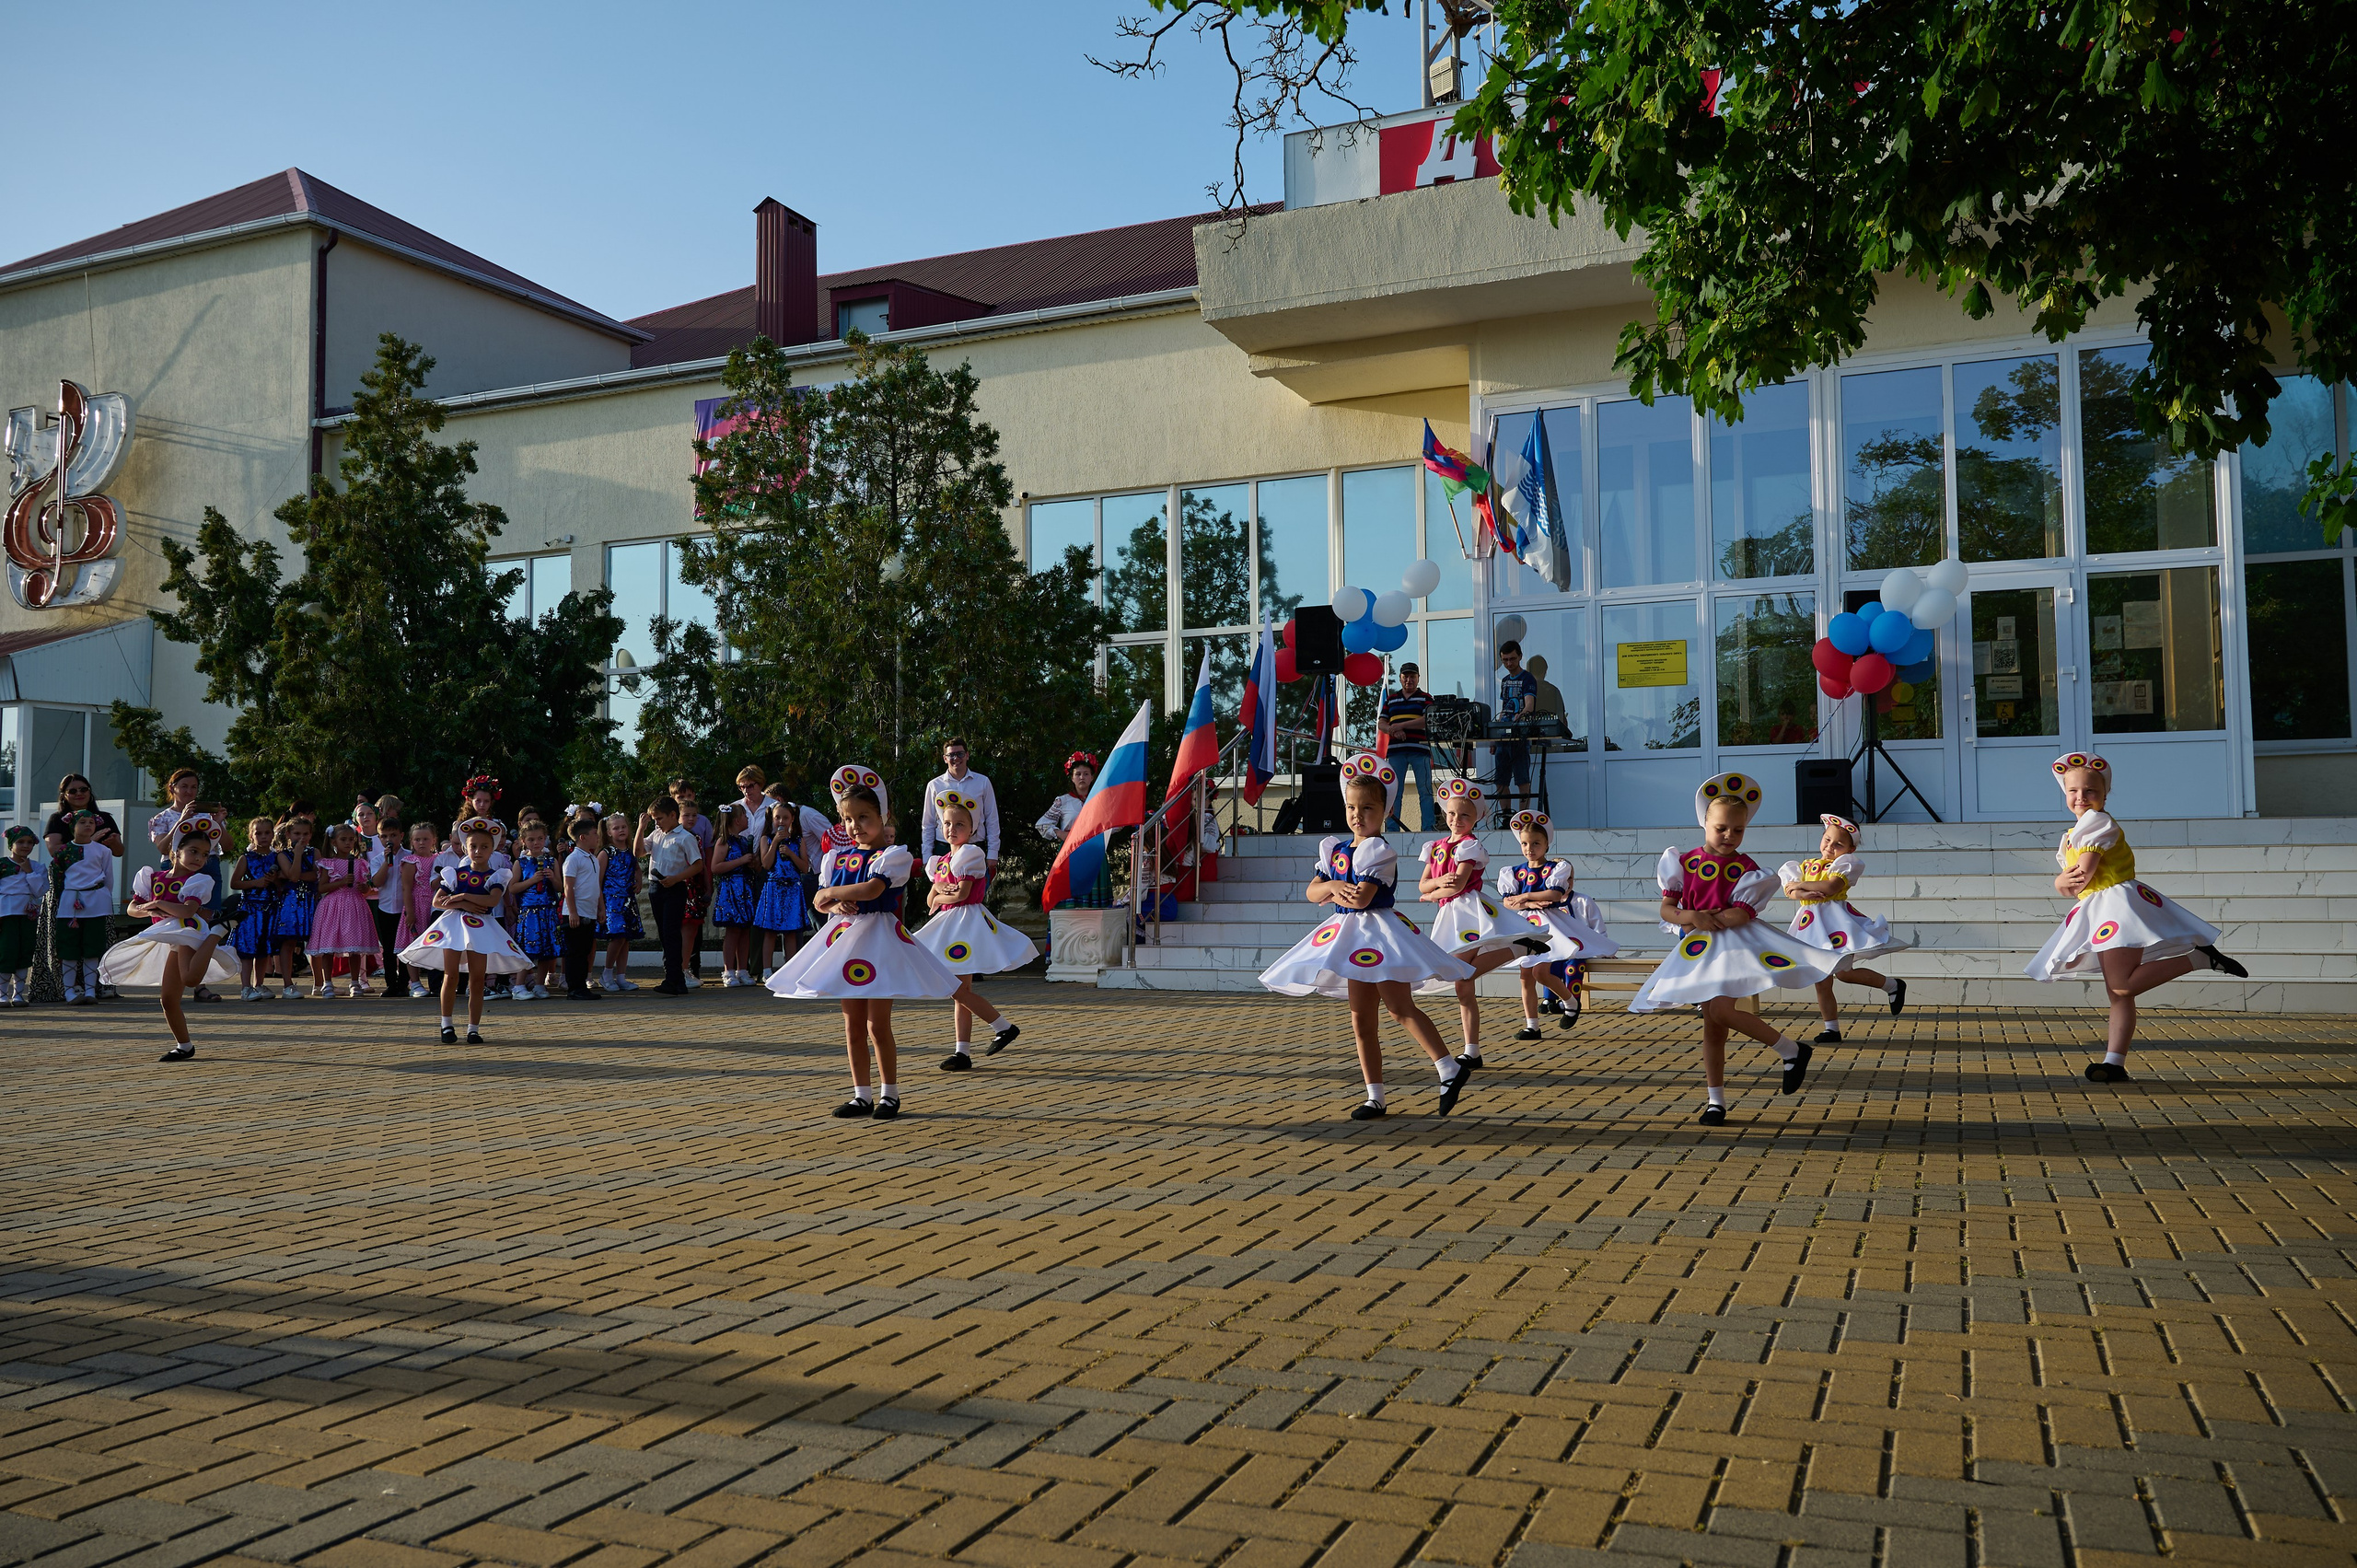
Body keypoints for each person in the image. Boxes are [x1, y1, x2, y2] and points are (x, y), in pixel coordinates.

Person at [1259, 755, 1477, 1120]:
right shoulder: (1334, 849)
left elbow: (1362, 898)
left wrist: (1335, 890)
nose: (1358, 815)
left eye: (1368, 808)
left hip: (1378, 937)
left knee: (1399, 1007)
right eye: (1351, 807)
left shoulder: (1380, 851)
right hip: (1349, 937)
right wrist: (1330, 885)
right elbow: (1313, 892)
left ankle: (1449, 1068)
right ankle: (1375, 1096)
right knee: (1361, 1018)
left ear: (1385, 811)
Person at [1630, 772, 1841, 1125]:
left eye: (1738, 830)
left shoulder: (1746, 868)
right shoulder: (1682, 863)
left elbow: (1745, 912)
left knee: (1722, 1012)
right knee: (1712, 1025)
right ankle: (1717, 1101)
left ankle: (1791, 1050)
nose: (1729, 836)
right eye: (1721, 829)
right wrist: (1691, 917)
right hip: (1697, 949)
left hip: (1730, 947)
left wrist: (1714, 920)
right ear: (1705, 824)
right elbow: (1667, 909)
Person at [2026, 753, 2247, 1083]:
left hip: (2116, 907)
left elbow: (2080, 877)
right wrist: (2064, 884)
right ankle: (2114, 1062)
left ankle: (2197, 959)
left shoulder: (2097, 823)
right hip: (2102, 908)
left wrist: (2059, 883)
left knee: (2122, 985)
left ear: (2105, 793)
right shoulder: (2074, 831)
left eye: (2090, 791)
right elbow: (2076, 881)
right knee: (2118, 993)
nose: (2081, 798)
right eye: (2073, 791)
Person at [768, 765, 962, 1121]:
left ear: (882, 816)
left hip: (879, 942)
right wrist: (831, 899)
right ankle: (861, 1094)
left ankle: (890, 1093)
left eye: (864, 817)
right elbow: (818, 903)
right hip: (847, 944)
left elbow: (872, 890)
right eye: (848, 820)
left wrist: (829, 893)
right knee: (852, 1025)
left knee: (877, 1024)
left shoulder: (893, 856)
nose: (856, 826)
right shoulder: (834, 858)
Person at [1415, 778, 1550, 1074]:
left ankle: (1515, 950)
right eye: (1451, 814)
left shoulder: (1470, 845)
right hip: (1449, 915)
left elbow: (1459, 884)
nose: (1456, 820)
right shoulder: (1435, 846)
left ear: (1476, 817)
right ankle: (1472, 1051)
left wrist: (1432, 892)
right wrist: (1436, 885)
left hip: (1467, 913)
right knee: (1463, 986)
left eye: (1464, 815)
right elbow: (1423, 885)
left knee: (1460, 975)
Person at [914, 794, 1032, 1070]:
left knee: (956, 989)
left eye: (959, 824)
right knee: (959, 990)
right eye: (946, 824)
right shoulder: (939, 862)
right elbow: (931, 901)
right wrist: (941, 892)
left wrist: (942, 895)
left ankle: (1002, 1027)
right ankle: (963, 1052)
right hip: (950, 926)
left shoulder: (970, 854)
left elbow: (961, 895)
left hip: (966, 925)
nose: (951, 829)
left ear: (972, 829)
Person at [101, 827, 238, 1059]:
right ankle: (184, 1046)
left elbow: (187, 911)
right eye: (194, 851)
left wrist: (158, 904)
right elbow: (132, 909)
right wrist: (149, 908)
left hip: (187, 931)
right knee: (168, 999)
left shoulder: (198, 880)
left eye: (205, 854)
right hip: (166, 934)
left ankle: (218, 931)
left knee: (191, 979)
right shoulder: (153, 877)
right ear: (176, 851)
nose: (199, 858)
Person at [400, 816, 531, 1044]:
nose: (478, 851)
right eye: (473, 846)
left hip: (481, 929)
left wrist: (461, 896)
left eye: (484, 847)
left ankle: (473, 1028)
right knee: (450, 976)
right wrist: (464, 904)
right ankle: (446, 1024)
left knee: (477, 978)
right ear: (465, 847)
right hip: (454, 927)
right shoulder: (454, 874)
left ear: (493, 850)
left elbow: (492, 901)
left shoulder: (495, 876)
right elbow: (438, 902)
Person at [1780, 814, 1910, 1042]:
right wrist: (1801, 891)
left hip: (1834, 924)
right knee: (1821, 979)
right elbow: (1789, 891)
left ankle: (1893, 985)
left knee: (1845, 975)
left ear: (1850, 849)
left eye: (1838, 844)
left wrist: (1800, 885)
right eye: (1827, 840)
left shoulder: (1845, 864)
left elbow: (1830, 887)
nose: (1830, 847)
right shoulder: (1805, 865)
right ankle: (1832, 1029)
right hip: (1810, 926)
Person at [1497, 810, 1618, 1040]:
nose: (1529, 848)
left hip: (1549, 927)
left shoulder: (1555, 869)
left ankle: (1570, 1002)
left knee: (1541, 971)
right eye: (1524, 843)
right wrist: (1530, 903)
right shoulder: (1513, 872)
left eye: (1536, 843)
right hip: (1525, 925)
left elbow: (1554, 894)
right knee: (1526, 975)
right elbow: (1507, 902)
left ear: (1546, 845)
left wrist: (1524, 898)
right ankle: (1532, 1025)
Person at [308, 823, 381, 998]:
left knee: (354, 947)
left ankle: (355, 982)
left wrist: (365, 887)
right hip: (333, 907)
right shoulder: (328, 863)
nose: (348, 843)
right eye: (343, 839)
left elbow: (366, 890)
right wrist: (341, 882)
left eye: (351, 839)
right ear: (334, 841)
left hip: (354, 905)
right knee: (328, 946)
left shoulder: (359, 863)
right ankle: (327, 983)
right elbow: (322, 887)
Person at [639, 796, 700, 995]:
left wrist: (676, 878)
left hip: (674, 888)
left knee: (672, 933)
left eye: (660, 818)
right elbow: (639, 851)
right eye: (654, 819)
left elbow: (698, 865)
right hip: (656, 888)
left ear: (673, 815)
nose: (657, 822)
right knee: (664, 934)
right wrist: (641, 828)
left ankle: (676, 979)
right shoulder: (656, 834)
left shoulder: (685, 837)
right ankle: (672, 978)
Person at [53, 810, 116, 1004]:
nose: (88, 825)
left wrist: (103, 897)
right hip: (70, 904)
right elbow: (58, 880)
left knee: (93, 947)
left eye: (91, 822)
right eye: (82, 822)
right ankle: (70, 992)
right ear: (73, 826)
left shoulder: (103, 851)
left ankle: (90, 991)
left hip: (96, 903)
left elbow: (108, 878)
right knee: (69, 948)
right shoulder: (63, 851)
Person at [1036, 752, 1112, 907]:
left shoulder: (1101, 799)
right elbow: (1042, 823)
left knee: (1096, 901)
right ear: (1072, 777)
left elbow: (1115, 823)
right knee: (1070, 899)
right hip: (1070, 854)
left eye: (1086, 774)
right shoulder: (1062, 801)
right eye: (1078, 774)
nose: (1082, 777)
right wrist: (1060, 833)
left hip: (1095, 852)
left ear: (1092, 777)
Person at [919, 738, 1001, 882]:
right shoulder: (934, 785)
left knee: (974, 897)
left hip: (975, 847)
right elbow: (928, 824)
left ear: (967, 755)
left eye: (960, 754)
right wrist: (927, 856)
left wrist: (992, 853)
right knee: (945, 897)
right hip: (944, 849)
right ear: (945, 759)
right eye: (951, 755)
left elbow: (992, 818)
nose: (956, 758)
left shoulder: (982, 782)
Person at [751, 784, 810, 976]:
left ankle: (790, 970)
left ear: (792, 819)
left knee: (791, 932)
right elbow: (766, 865)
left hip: (793, 889)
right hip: (773, 888)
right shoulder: (765, 840)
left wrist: (792, 854)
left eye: (785, 818)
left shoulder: (799, 841)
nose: (781, 821)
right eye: (777, 818)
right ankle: (767, 970)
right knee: (769, 931)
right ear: (772, 819)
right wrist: (775, 842)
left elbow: (805, 867)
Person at [227, 818, 283, 999]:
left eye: (267, 833)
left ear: (273, 835)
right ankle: (245, 987)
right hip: (250, 910)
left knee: (263, 949)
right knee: (247, 949)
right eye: (258, 833)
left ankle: (259, 984)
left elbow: (283, 884)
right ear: (251, 836)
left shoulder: (278, 857)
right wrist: (255, 883)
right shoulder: (246, 858)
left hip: (270, 908)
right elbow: (234, 882)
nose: (263, 836)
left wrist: (276, 881)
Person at [508, 820, 563, 1000]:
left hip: (547, 911)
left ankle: (540, 985)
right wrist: (532, 880)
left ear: (545, 839)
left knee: (547, 951)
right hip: (529, 913)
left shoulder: (551, 860)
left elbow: (560, 888)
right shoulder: (521, 863)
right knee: (527, 950)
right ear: (524, 841)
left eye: (540, 838)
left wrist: (553, 878)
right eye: (531, 839)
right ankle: (518, 986)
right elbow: (513, 888)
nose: (536, 843)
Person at [708, 803, 761, 985]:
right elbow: (716, 866)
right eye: (745, 816)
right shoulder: (724, 841)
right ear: (737, 820)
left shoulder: (743, 841)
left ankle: (743, 969)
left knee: (745, 930)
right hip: (731, 888)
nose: (747, 819)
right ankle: (728, 970)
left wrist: (752, 862)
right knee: (732, 931)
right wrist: (740, 860)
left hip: (745, 888)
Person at [1379, 664, 1436, 831]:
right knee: (1394, 792)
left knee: (1425, 791)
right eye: (1406, 676)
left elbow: (1427, 720)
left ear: (1418, 678)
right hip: (1396, 751)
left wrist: (1400, 725)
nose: (1409, 680)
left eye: (1412, 676)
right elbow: (1381, 723)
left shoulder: (1426, 698)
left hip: (1420, 750)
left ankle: (1428, 828)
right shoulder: (1391, 699)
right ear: (1400, 679)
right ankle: (1392, 828)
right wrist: (1393, 730)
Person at [668, 780, 714, 985]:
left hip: (694, 887)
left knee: (692, 931)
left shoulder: (696, 836)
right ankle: (677, 969)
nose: (691, 818)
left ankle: (685, 968)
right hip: (679, 885)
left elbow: (703, 863)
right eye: (686, 815)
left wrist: (708, 884)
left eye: (694, 815)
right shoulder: (672, 836)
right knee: (680, 930)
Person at [1491, 640, 1539, 819]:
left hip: (1520, 736)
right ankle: (1505, 817)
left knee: (1522, 779)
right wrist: (1495, 737)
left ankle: (1522, 818)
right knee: (1501, 780)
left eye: (1512, 659)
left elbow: (1530, 705)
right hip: (1504, 736)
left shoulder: (1527, 678)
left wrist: (1522, 714)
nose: (1509, 664)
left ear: (1520, 656)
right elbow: (1505, 708)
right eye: (1505, 660)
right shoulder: (1504, 681)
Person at [598, 811, 644, 992]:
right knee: (617, 937)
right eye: (616, 828)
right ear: (609, 832)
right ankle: (606, 973)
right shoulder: (606, 852)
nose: (621, 830)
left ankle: (621, 976)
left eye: (623, 827)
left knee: (626, 939)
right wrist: (600, 905)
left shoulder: (630, 851)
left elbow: (637, 868)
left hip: (628, 901)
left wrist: (639, 879)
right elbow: (598, 880)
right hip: (612, 902)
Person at [273, 817, 319, 997]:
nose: (302, 837)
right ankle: (287, 984)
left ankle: (320, 983)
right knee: (289, 943)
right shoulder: (283, 855)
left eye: (306, 834)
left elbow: (317, 876)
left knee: (315, 943)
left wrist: (297, 874)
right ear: (289, 834)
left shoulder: (315, 852)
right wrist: (298, 855)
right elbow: (293, 876)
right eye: (297, 833)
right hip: (290, 903)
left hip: (310, 900)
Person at [395, 822, 441, 998]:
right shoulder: (410, 861)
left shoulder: (438, 858)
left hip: (434, 905)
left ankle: (436, 983)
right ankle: (414, 983)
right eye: (417, 839)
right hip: (416, 905)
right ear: (411, 842)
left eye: (426, 839)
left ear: (433, 840)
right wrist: (410, 912)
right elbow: (407, 888)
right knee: (413, 944)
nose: (422, 843)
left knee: (433, 943)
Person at [561, 819, 604, 1002]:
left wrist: (601, 908)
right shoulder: (574, 858)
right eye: (595, 833)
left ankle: (581, 986)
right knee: (575, 952)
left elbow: (596, 885)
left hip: (590, 911)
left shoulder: (593, 858)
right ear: (583, 837)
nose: (598, 837)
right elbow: (568, 887)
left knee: (585, 950)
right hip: (575, 913)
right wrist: (572, 912)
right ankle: (574, 988)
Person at [368, 810, 409, 996]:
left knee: (406, 948)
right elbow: (377, 882)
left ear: (401, 835)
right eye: (384, 836)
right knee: (389, 948)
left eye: (393, 835)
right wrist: (387, 861)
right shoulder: (378, 860)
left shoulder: (410, 857)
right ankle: (391, 984)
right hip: (385, 908)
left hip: (404, 910)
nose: (389, 839)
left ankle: (405, 983)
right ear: (379, 838)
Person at [0, 827, 41, 1005]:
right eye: (20, 842)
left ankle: (18, 994)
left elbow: (40, 890)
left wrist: (29, 871)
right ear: (11, 844)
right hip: (5, 914)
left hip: (28, 915)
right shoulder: (2, 865)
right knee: (6, 952)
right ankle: (2, 994)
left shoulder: (37, 867)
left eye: (29, 842)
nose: (25, 846)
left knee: (24, 952)